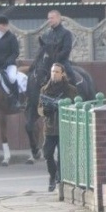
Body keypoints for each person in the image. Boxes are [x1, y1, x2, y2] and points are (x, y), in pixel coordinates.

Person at [39, 63, 79, 192]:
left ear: (63, 74)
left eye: (57, 72)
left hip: (64, 127)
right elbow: (39, 108)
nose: (54, 74)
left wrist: (62, 108)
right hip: (50, 127)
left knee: (63, 156)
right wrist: (46, 110)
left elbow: (76, 106)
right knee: (47, 154)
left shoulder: (70, 90)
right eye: (52, 71)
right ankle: (52, 175)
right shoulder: (44, 89)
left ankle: (60, 180)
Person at [0, 15, 26, 108]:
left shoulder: (11, 37)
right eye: (4, 25)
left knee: (12, 78)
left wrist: (9, 61)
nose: (7, 27)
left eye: (7, 25)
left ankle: (16, 99)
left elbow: (16, 52)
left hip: (9, 65)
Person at [37, 9, 77, 84]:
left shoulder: (66, 33)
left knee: (70, 74)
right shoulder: (46, 34)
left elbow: (67, 50)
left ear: (58, 18)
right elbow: (42, 49)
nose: (49, 20)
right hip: (46, 62)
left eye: (52, 18)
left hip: (62, 62)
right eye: (48, 18)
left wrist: (55, 58)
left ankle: (74, 92)